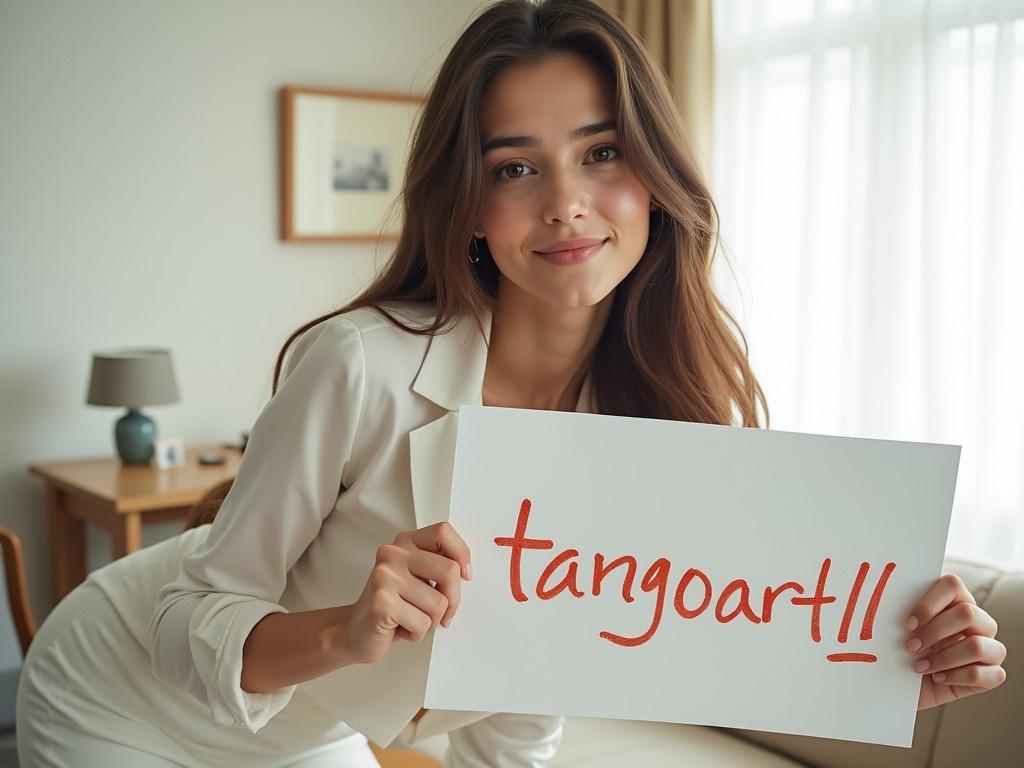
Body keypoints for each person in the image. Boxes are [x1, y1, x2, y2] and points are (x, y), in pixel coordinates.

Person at [16, 0, 1008, 766]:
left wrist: (877, 668)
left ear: (656, 181)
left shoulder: (656, 421)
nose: (569, 206)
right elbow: (193, 620)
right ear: (471, 205)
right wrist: (349, 628)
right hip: (121, 687)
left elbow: (542, 668)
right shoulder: (360, 366)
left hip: (296, 733)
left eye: (602, 153)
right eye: (516, 169)